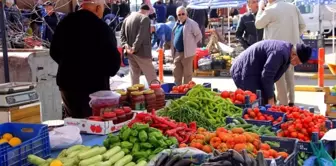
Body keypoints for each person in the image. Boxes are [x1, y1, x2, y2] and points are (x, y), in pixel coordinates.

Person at [50, 0, 121, 118]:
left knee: (73, 123)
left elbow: (53, 52)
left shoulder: (65, 23)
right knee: (93, 124)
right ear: (98, 8)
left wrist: (68, 65)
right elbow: (113, 65)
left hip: (68, 85)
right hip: (94, 88)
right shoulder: (101, 28)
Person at [255, 0, 306, 106]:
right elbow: (302, 25)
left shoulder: (270, 10)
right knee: (289, 75)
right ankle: (291, 101)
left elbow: (258, 24)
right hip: (292, 47)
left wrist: (260, 8)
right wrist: (294, 36)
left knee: (279, 78)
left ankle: (283, 105)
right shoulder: (292, 7)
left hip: (276, 49)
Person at [230, 40, 312, 105]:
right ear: (294, 54)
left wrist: (271, 96)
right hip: (243, 71)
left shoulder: (287, 53)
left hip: (255, 71)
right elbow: (267, 76)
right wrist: (270, 98)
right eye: (297, 62)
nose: (296, 65)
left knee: (264, 101)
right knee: (254, 102)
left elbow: (271, 77)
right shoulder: (279, 53)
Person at [120, 4, 157, 85]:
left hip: (129, 52)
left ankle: (135, 95)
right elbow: (141, 36)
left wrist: (125, 45)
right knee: (152, 77)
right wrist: (134, 48)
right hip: (141, 52)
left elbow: (122, 35)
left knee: (134, 78)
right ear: (147, 11)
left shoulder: (127, 19)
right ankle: (157, 96)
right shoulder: (145, 18)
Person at [171, 6, 202, 85]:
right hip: (177, 53)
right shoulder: (177, 24)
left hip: (187, 53)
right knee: (176, 73)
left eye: (183, 14)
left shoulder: (192, 23)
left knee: (187, 74)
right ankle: (177, 89)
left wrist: (191, 44)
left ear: (186, 14)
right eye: (179, 14)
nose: (181, 16)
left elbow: (199, 35)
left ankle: (186, 91)